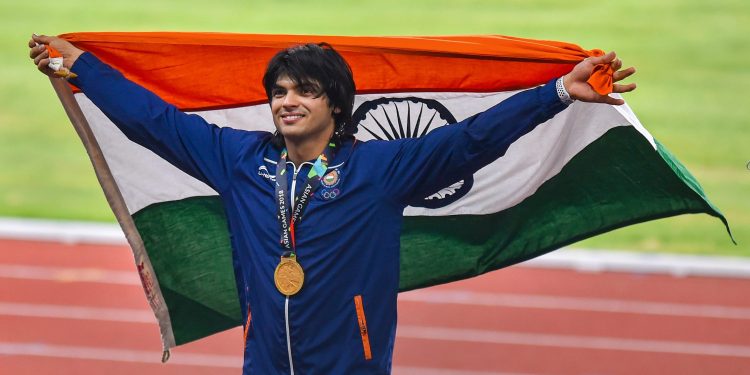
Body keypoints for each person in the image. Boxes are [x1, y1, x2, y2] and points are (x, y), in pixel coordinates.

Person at [29, 34, 636, 374]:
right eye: (280, 91)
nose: (287, 102)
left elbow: (471, 140)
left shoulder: (378, 170)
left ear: (337, 105)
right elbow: (154, 122)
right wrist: (84, 68)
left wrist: (558, 92)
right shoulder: (238, 160)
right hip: (265, 367)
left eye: (305, 91)